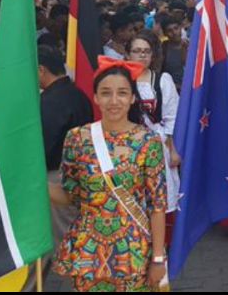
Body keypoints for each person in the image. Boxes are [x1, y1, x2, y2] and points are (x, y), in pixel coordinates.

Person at [49, 58, 168, 291]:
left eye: (122, 93)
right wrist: (36, 185)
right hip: (89, 252)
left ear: (133, 98)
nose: (114, 101)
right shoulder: (77, 138)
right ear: (95, 97)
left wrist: (157, 259)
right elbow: (70, 195)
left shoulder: (148, 142)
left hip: (133, 251)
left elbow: (157, 205)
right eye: (106, 93)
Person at [38, 45, 94, 244]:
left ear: (41, 69)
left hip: (57, 175)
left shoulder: (50, 101)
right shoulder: (79, 94)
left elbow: (45, 144)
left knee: (64, 235)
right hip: (81, 169)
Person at [127, 32, 182, 234]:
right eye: (137, 51)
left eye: (146, 51)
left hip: (158, 147)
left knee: (160, 198)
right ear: (128, 54)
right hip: (128, 148)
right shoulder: (121, 80)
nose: (142, 55)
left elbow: (172, 117)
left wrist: (173, 149)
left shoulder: (162, 80)